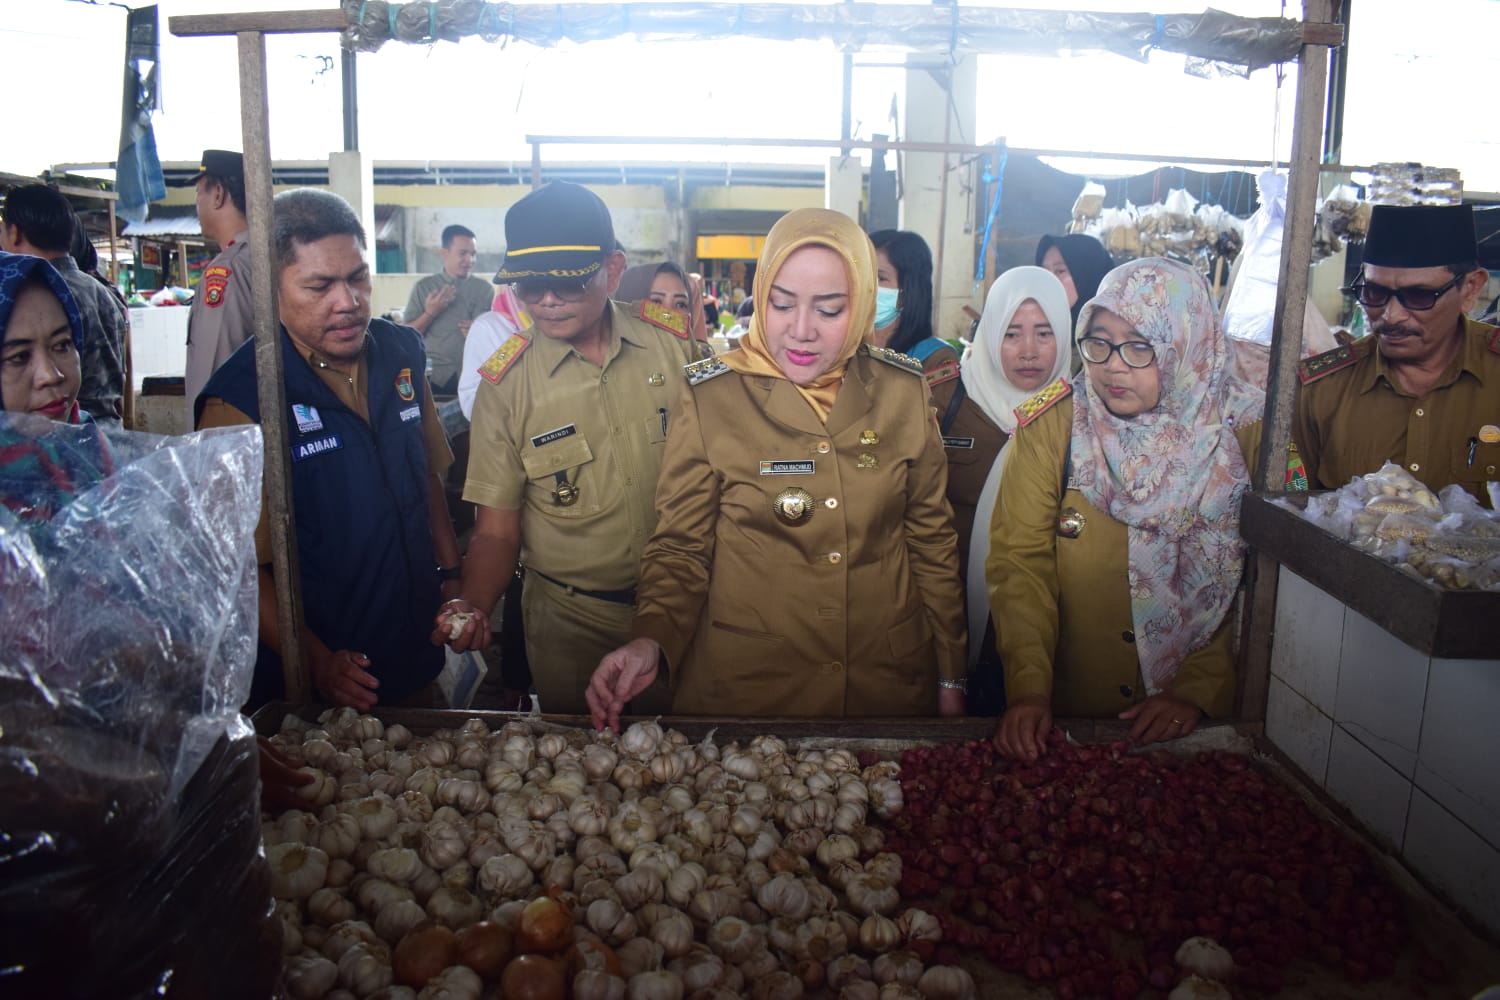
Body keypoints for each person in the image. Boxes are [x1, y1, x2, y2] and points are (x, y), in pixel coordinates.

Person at [585, 207, 968, 731]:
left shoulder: (902, 390)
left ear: (861, 309)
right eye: (781, 304)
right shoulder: (712, 396)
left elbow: (931, 543)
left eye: (831, 310)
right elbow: (681, 546)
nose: (801, 331)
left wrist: (951, 677)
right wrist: (652, 636)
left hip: (886, 683)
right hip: (751, 688)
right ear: (761, 294)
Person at [989, 258, 1264, 760]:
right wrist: (1028, 688)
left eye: (1140, 346)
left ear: (1185, 343)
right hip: (1071, 717)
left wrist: (1200, 689)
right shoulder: (1054, 425)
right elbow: (1019, 564)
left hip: (1209, 727)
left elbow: (1268, 582)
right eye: (1099, 341)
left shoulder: (1249, 431)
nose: (1113, 364)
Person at [196, 189, 461, 710]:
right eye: (319, 285)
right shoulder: (243, 399)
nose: (348, 302)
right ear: (273, 291)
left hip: (416, 651)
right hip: (322, 685)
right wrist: (313, 659)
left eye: (358, 278)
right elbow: (237, 568)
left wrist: (452, 580)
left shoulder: (402, 354)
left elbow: (426, 474)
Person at [443, 181, 701, 715]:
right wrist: (473, 604)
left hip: (686, 614)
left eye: (564, 283)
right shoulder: (506, 386)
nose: (546, 300)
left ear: (611, 270)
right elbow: (495, 530)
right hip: (573, 627)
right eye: (529, 286)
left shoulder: (673, 347)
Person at [929, 266, 1072, 711]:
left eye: (1044, 333)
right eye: (1012, 333)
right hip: (948, 613)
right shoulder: (946, 398)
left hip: (1046, 620)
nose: (1028, 351)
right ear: (990, 331)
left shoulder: (1081, 413)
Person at [1293, 203, 1500, 505]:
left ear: (1470, 289)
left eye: (1418, 296)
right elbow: (1292, 509)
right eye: (1375, 293)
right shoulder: (1321, 390)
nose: (1391, 316)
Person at [1, 184, 128, 424]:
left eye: (62, 345)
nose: (50, 375)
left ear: (14, 232)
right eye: (20, 356)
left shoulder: (33, 299)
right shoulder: (104, 292)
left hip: (69, 432)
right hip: (108, 428)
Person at [184, 150, 255, 405]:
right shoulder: (266, 255)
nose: (197, 203)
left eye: (198, 192)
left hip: (230, 436)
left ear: (218, 194)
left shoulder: (228, 270)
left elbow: (214, 371)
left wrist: (204, 443)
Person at [403, 224, 493, 394]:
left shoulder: (484, 290)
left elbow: (495, 339)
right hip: (434, 375)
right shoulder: (424, 287)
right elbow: (406, 336)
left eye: (473, 254)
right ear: (444, 253)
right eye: (463, 253)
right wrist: (431, 312)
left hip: (474, 376)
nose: (470, 260)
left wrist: (478, 333)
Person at [868, 229, 952, 369]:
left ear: (909, 291)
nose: (868, 286)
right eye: (864, 274)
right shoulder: (846, 350)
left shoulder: (936, 360)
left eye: (881, 278)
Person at [1036, 233, 1114, 332]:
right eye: (1045, 272)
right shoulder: (1038, 333)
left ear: (1087, 275)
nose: (1049, 280)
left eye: (1060, 271)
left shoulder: (1111, 339)